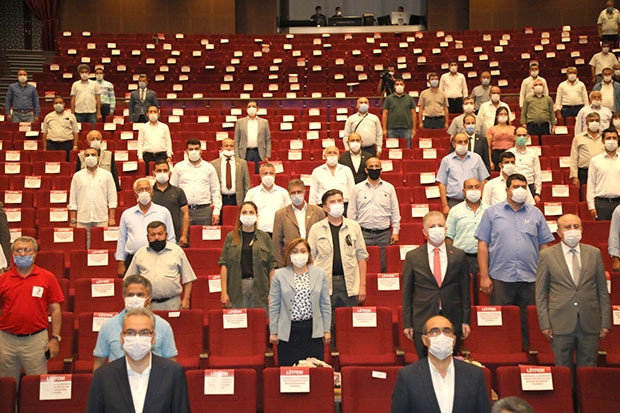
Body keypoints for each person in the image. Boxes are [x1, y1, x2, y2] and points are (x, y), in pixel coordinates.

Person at [476, 173, 555, 346]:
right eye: (516, 186)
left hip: (531, 278)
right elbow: (483, 245)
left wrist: (544, 275)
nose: (520, 190)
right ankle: (504, 352)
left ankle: (527, 354)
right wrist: (484, 276)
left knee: (530, 324)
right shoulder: (491, 213)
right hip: (500, 277)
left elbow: (544, 246)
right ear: (507, 190)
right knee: (503, 323)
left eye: (523, 187)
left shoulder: (536, 214)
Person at [536, 214, 611, 377]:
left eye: (576, 227)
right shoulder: (547, 255)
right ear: (559, 232)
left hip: (590, 322)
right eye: (567, 227)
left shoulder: (594, 253)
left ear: (582, 229)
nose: (572, 230)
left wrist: (605, 321)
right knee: (563, 373)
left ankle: (586, 403)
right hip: (560, 323)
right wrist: (545, 323)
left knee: (589, 374)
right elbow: (541, 294)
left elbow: (602, 292)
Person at [86, 308, 190, 413]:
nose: (137, 338)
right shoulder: (103, 376)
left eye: (144, 333)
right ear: (122, 337)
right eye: (130, 332)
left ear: (153, 338)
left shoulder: (173, 373)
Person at [401, 212, 470, 358]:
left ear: (446, 229)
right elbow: (406, 293)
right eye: (432, 226)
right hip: (423, 319)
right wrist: (407, 323)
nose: (437, 229)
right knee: (425, 364)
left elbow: (465, 291)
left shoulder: (459, 255)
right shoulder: (413, 257)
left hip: (452, 318)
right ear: (425, 232)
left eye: (440, 225)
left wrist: (466, 321)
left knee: (449, 363)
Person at [391, 315, 491, 413]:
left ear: (454, 340)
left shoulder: (474, 374)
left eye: (447, 331)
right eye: (434, 332)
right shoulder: (407, 376)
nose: (441, 336)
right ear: (424, 340)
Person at [0, 237, 64, 383]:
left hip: (35, 341)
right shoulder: (3, 280)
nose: (23, 254)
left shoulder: (47, 277)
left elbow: (55, 310)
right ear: (13, 254)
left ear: (35, 254)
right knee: (6, 389)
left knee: (37, 386)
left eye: (27, 250)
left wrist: (55, 338)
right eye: (18, 250)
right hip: (6, 340)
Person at [307, 189, 369, 328]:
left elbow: (361, 256)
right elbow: (310, 259)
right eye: (332, 202)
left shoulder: (354, 227)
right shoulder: (316, 229)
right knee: (326, 324)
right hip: (324, 284)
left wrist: (362, 285)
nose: (337, 204)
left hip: (349, 284)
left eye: (339, 201)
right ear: (325, 207)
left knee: (348, 324)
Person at [93, 275, 178, 372]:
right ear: (123, 297)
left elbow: (171, 363)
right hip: (118, 382)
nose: (135, 298)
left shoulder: (163, 326)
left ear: (149, 299)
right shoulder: (108, 326)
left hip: (154, 382)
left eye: (140, 295)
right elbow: (99, 363)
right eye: (130, 295)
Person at [269, 238, 331, 366]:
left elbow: (325, 305)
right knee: (290, 374)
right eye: (295, 251)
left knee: (314, 374)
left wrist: (326, 330)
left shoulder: (320, 274)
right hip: (289, 332)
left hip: (313, 330)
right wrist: (274, 332)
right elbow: (274, 306)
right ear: (289, 254)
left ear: (308, 254)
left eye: (303, 251)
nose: (299, 255)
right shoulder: (279, 275)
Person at [219, 201, 277, 309]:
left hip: (261, 289)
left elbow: (272, 267)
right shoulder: (231, 237)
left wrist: (272, 292)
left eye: (251, 212)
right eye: (244, 212)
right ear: (240, 215)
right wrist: (224, 292)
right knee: (239, 323)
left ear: (256, 215)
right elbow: (224, 266)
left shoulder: (265, 238)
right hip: (236, 288)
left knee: (258, 323)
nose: (248, 215)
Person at [126, 221, 196, 311]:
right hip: (147, 305)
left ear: (166, 236)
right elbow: (129, 280)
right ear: (148, 237)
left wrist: (186, 299)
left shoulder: (177, 252)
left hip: (172, 303)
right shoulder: (140, 254)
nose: (157, 238)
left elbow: (188, 278)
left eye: (160, 234)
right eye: (153, 235)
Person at [348, 157, 401, 273]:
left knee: (383, 267)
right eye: (371, 167)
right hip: (363, 234)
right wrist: (353, 233)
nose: (374, 169)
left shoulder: (389, 188)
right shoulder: (357, 189)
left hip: (384, 234)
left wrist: (396, 232)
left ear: (381, 170)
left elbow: (395, 211)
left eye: (377, 167)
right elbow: (351, 213)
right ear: (366, 170)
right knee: (362, 267)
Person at [115, 178, 175, 277]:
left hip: (158, 257)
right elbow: (122, 239)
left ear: (152, 192)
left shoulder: (163, 212)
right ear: (135, 194)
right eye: (140, 190)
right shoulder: (127, 214)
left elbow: (171, 237)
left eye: (147, 189)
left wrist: (171, 258)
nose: (144, 192)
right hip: (133, 259)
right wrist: (121, 262)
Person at [446, 178, 487, 302]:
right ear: (464, 191)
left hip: (485, 258)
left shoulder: (490, 210)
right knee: (463, 295)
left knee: (483, 295)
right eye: (470, 187)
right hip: (462, 258)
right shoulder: (455, 211)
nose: (474, 190)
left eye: (476, 187)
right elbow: (449, 236)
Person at [68, 147, 117, 248]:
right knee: (83, 247)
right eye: (87, 155)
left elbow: (112, 197)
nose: (90, 157)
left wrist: (111, 218)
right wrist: (73, 219)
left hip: (101, 217)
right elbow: (73, 199)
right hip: (82, 218)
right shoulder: (77, 176)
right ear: (84, 158)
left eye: (93, 155)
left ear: (98, 158)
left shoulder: (107, 175)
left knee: (101, 247)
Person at [272, 179, 325, 267]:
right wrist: (282, 265)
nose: (296, 195)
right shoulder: (280, 214)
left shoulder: (318, 211)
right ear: (289, 194)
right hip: (290, 262)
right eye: (293, 193)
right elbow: (276, 243)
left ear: (304, 192)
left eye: (299, 192)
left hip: (314, 261)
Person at [170, 139, 222, 226]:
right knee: (184, 238)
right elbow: (173, 190)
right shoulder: (178, 167)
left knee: (203, 238)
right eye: (191, 149)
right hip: (184, 210)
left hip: (204, 210)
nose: (194, 151)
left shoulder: (209, 167)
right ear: (186, 151)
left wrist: (216, 211)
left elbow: (215, 190)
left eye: (196, 149)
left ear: (201, 151)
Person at [437, 133, 490, 214]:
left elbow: (483, 180)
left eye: (465, 142)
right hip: (454, 202)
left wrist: (481, 199)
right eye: (460, 142)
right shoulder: (446, 160)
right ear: (454, 144)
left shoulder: (477, 158)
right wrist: (445, 205)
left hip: (474, 202)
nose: (463, 144)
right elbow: (442, 184)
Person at [244, 163, 290, 235]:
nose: (268, 176)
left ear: (275, 175)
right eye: (265, 173)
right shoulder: (251, 193)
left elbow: (289, 214)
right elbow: (246, 213)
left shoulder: (283, 192)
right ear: (260, 175)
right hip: (258, 233)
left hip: (278, 233)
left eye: (271, 173)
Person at [152, 160, 189, 247]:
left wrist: (184, 235)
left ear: (169, 173)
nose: (162, 173)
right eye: (159, 171)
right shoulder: (150, 192)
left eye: (165, 170)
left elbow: (185, 214)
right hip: (153, 236)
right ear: (153, 173)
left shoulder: (178, 191)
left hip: (174, 237)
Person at [586, 127, 620, 220]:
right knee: (603, 232)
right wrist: (591, 206)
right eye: (608, 138)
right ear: (602, 141)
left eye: (614, 138)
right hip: (602, 204)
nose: (612, 141)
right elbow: (591, 184)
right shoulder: (595, 160)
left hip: (619, 202)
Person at [210, 138, 251, 207]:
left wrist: (247, 201)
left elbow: (246, 184)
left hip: (237, 199)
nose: (229, 148)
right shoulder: (214, 164)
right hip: (220, 199)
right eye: (226, 146)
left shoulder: (242, 163)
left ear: (234, 148)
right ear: (222, 148)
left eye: (231, 146)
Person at [569, 112, 604, 192]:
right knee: (584, 195)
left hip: (600, 172)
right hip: (584, 172)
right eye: (592, 120)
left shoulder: (604, 138)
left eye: (597, 120)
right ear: (586, 123)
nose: (594, 122)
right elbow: (574, 158)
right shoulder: (578, 138)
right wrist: (574, 176)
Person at [234, 100, 271, 174]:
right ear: (246, 109)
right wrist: (237, 156)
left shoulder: (264, 122)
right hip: (244, 153)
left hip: (259, 152)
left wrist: (267, 155)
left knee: (258, 173)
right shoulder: (240, 122)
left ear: (257, 109)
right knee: (245, 173)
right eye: (249, 106)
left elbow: (268, 140)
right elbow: (236, 140)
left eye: (253, 106)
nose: (251, 108)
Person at [507, 127, 542, 201]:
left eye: (524, 135)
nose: (521, 137)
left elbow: (537, 173)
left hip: (529, 186)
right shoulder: (508, 153)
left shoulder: (533, 153)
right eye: (519, 135)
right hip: (513, 187)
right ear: (514, 137)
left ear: (528, 137)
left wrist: (537, 193)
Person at [41, 95, 79, 161]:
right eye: (56, 103)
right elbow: (44, 133)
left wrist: (75, 146)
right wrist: (45, 147)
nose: (58, 104)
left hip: (67, 144)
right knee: (52, 163)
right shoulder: (48, 116)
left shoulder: (71, 116)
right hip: (52, 145)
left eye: (60, 102)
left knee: (66, 164)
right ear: (53, 105)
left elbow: (75, 132)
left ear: (64, 104)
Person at [381, 78, 417, 148]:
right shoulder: (389, 98)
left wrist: (414, 129)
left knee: (406, 148)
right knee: (392, 150)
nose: (399, 86)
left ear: (404, 86)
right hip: (391, 128)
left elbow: (413, 114)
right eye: (397, 84)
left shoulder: (409, 98)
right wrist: (384, 129)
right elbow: (385, 114)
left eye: (401, 84)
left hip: (406, 128)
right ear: (394, 86)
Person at [138, 105, 172, 174]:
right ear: (147, 114)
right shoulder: (143, 127)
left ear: (158, 114)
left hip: (161, 155)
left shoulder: (164, 127)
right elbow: (140, 143)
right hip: (147, 156)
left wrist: (169, 155)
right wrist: (140, 156)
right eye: (151, 112)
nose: (153, 114)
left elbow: (168, 142)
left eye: (155, 112)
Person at [70, 64, 101, 128]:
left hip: (92, 112)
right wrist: (72, 113)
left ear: (89, 73)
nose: (84, 74)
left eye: (86, 72)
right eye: (82, 72)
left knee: (93, 131)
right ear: (79, 73)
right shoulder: (75, 84)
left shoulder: (94, 84)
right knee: (78, 131)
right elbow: (73, 99)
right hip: (78, 112)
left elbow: (98, 98)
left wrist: (98, 112)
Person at [487, 107, 515, 171]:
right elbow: (488, 147)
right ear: (497, 116)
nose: (503, 116)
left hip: (510, 153)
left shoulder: (513, 129)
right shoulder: (491, 129)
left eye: (505, 114)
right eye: (501, 114)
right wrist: (490, 161)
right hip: (497, 154)